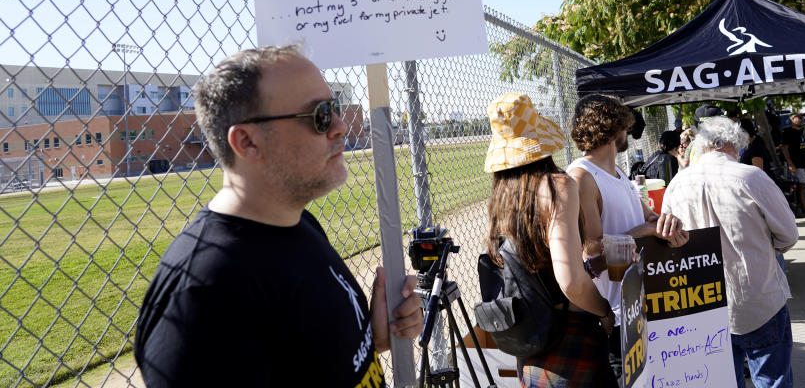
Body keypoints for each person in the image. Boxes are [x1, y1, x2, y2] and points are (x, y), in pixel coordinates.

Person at [134, 46, 423, 387]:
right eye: (319, 115)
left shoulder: (300, 224)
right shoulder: (206, 295)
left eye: (335, 108)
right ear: (247, 142)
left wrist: (371, 339)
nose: (341, 127)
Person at [484, 93, 618, 387]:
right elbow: (569, 281)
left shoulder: (503, 195)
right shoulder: (557, 186)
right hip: (570, 336)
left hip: (531, 339)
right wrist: (604, 311)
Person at [662, 116, 799, 388]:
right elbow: (789, 235)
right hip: (758, 298)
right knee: (772, 380)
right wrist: (763, 246)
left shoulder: (677, 184)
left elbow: (669, 242)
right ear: (737, 145)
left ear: (701, 146)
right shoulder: (751, 176)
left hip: (704, 303)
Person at [567, 95, 687, 381]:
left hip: (639, 301)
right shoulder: (581, 176)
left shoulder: (618, 171)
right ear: (614, 127)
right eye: (625, 125)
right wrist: (647, 230)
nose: (628, 134)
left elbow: (647, 216)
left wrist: (667, 225)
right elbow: (592, 248)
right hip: (615, 313)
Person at [779, 113, 805, 216]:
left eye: (802, 118)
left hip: (802, 163)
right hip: (793, 164)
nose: (801, 119)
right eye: (799, 118)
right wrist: (790, 163)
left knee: (802, 186)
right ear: (792, 119)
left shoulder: (802, 131)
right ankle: (794, 209)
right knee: (792, 187)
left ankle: (804, 208)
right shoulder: (788, 132)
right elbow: (784, 148)